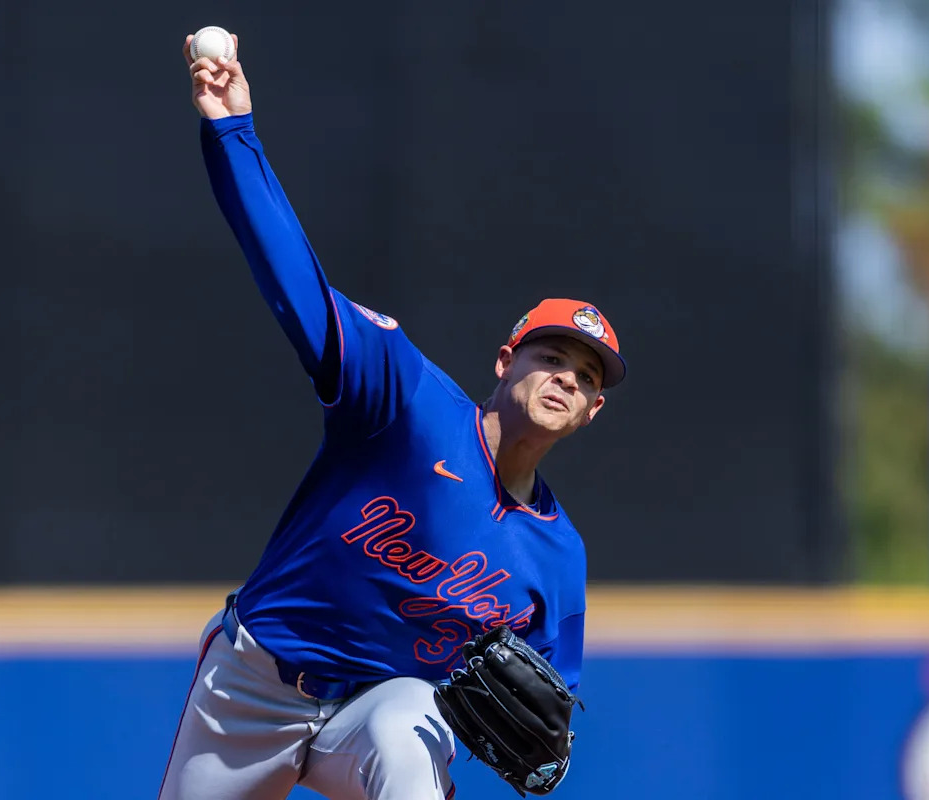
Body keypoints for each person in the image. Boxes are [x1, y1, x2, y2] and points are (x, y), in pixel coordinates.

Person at [160, 32, 627, 800]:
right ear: (506, 361)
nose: (565, 379)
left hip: (375, 711)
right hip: (255, 684)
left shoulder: (557, 558)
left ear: (591, 412)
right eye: (551, 356)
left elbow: (550, 719)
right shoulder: (408, 405)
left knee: (411, 718)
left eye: (585, 378)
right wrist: (232, 131)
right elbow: (295, 283)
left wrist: (545, 744)